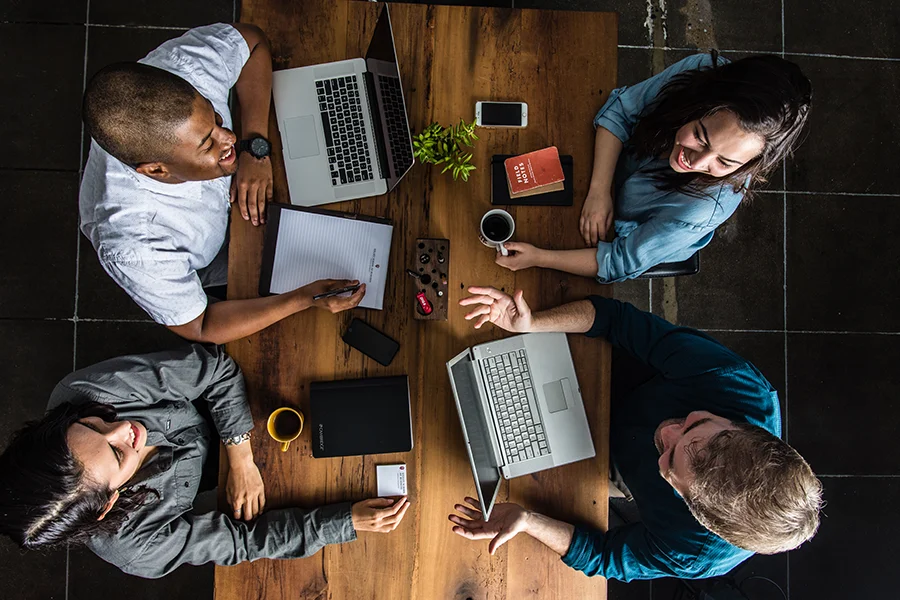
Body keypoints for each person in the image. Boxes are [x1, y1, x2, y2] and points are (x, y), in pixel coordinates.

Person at [447, 286, 822, 581]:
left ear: (692, 509)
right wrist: (530, 323)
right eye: (693, 424)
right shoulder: (739, 386)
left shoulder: (695, 552)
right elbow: (618, 320)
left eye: (669, 463)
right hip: (615, 376)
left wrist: (529, 521)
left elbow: (605, 556)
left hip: (607, 464)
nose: (667, 432)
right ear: (739, 425)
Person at [0, 345, 410, 579]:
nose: (123, 429)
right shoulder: (137, 550)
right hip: (224, 476)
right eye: (117, 453)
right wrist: (345, 522)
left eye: (94, 425)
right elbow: (244, 542)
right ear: (108, 503)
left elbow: (215, 369)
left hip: (230, 416)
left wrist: (241, 457)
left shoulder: (82, 393)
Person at [80, 24, 365, 344]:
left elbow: (253, 42)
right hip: (208, 254)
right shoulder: (134, 247)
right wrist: (303, 299)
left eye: (216, 118)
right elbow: (200, 326)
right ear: (157, 170)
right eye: (207, 144)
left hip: (248, 179)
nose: (229, 137)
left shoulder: (183, 67)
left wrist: (254, 147)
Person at [494, 52, 812, 281]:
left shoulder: (703, 209)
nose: (696, 162)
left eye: (725, 162)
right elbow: (620, 111)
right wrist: (599, 191)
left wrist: (539, 258)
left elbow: (618, 261)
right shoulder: (699, 70)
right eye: (700, 136)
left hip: (622, 229)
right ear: (699, 104)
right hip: (601, 179)